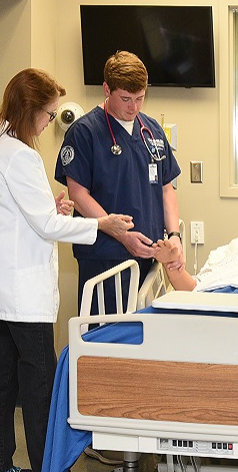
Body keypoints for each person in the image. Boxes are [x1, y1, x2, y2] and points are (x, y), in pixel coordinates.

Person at [0, 68, 134, 472]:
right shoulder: (20, 155)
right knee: (39, 385)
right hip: (20, 290)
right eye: (47, 114)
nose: (47, 122)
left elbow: (16, 214)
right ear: (29, 110)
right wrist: (101, 224)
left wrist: (50, 208)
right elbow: (45, 225)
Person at [56, 50, 182, 315]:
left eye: (140, 98)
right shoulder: (85, 132)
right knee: (106, 342)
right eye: (126, 99)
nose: (134, 107)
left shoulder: (152, 130)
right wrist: (121, 235)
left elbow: (166, 187)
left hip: (149, 252)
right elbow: (78, 194)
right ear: (106, 89)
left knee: (141, 345)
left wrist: (174, 236)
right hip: (105, 258)